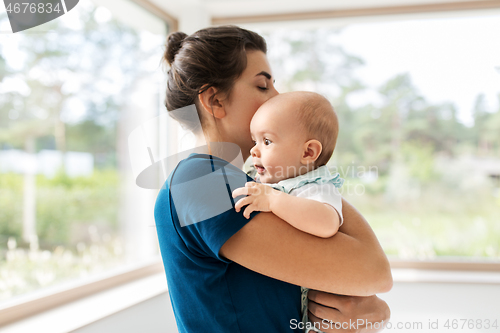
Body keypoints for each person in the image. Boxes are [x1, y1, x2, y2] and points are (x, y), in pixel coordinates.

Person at [154, 25, 392, 333]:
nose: (277, 98)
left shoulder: (255, 183)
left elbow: (370, 276)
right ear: (215, 101)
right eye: (263, 86)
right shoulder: (202, 180)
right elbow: (373, 271)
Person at [232, 91, 346, 332]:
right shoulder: (270, 183)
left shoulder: (316, 186)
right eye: (254, 140)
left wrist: (274, 200)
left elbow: (327, 222)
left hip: (321, 314)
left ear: (308, 153)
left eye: (267, 141)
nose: (254, 150)